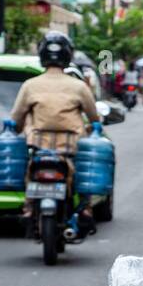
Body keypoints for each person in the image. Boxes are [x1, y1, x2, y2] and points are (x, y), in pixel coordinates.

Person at [10, 30, 99, 237]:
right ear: (68, 56)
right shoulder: (79, 86)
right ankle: (85, 208)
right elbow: (94, 117)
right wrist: (93, 125)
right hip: (71, 148)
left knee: (28, 171)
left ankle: (29, 207)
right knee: (83, 175)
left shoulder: (30, 85)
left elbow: (16, 118)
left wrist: (16, 129)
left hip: (38, 147)